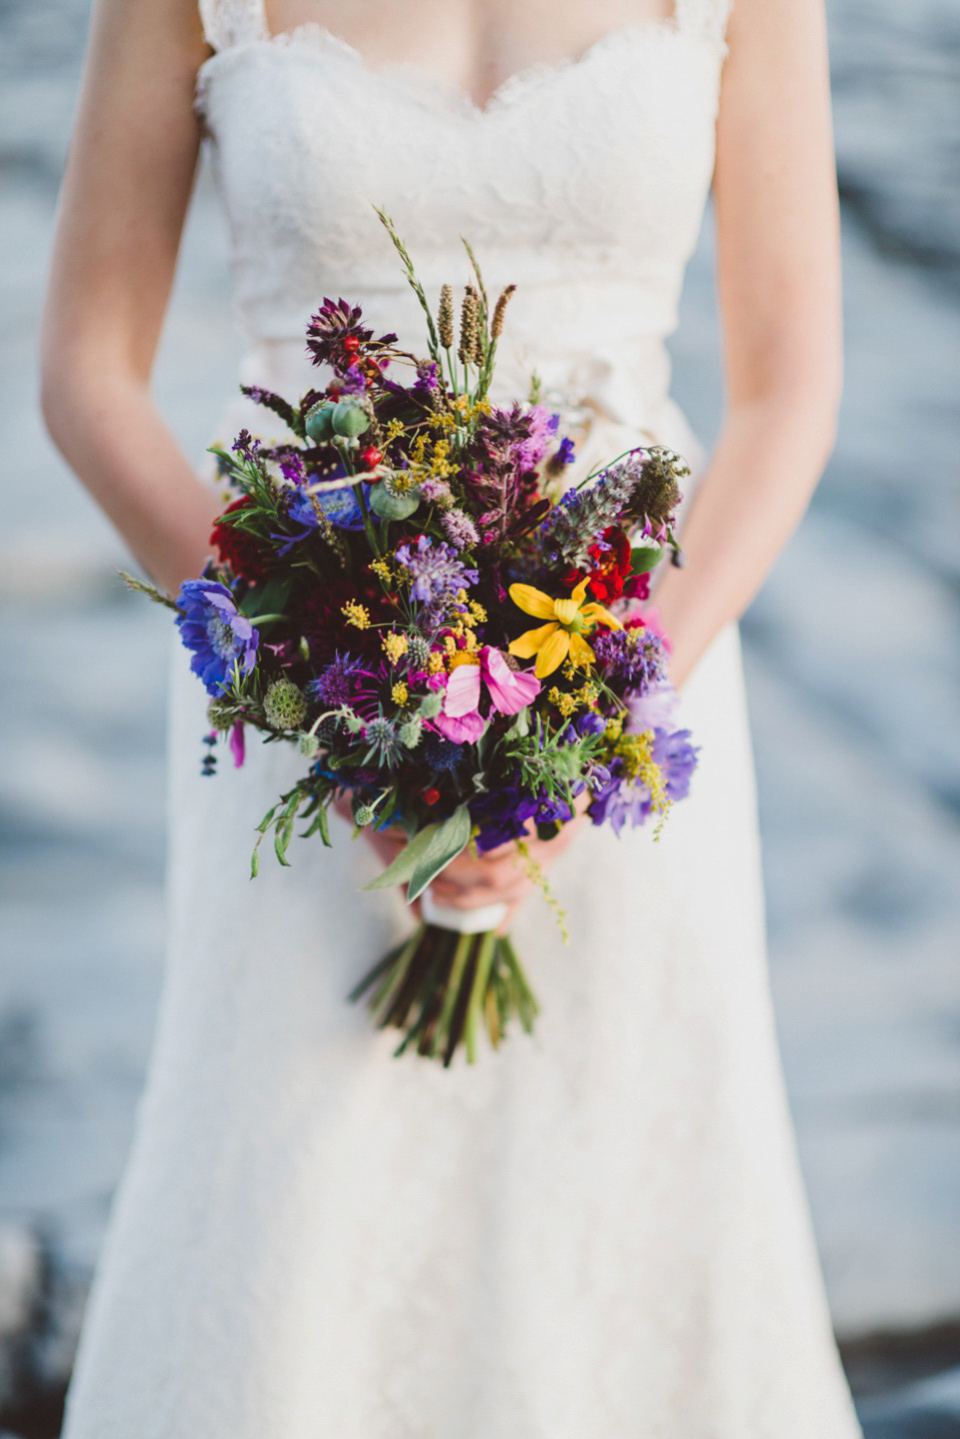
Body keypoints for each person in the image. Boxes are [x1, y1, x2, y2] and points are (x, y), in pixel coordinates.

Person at [41, 0, 862, 1434]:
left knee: (622, 1211)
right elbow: (86, 377)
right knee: (293, 1221)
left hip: (639, 688)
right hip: (309, 696)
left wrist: (599, 710)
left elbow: (789, 384)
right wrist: (317, 701)